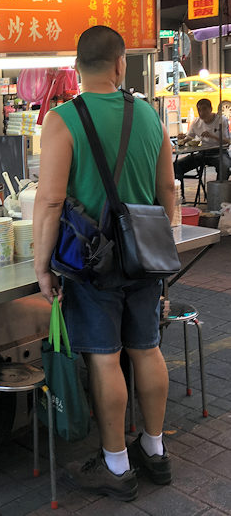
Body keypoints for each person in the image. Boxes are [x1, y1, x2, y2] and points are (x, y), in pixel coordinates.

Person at [33, 26, 175, 502]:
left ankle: (116, 464)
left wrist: (41, 268)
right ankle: (154, 451)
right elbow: (168, 191)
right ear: (120, 66)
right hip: (144, 258)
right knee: (146, 348)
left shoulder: (62, 119)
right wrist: (159, 248)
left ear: (76, 68)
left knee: (105, 357)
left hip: (92, 263)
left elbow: (50, 202)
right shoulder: (150, 116)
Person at [174, 98, 230, 194]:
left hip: (219, 152)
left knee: (224, 167)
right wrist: (181, 139)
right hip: (203, 153)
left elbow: (227, 141)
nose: (201, 112)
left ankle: (218, 195)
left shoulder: (221, 120)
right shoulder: (196, 122)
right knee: (177, 166)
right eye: (199, 110)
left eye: (204, 109)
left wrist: (212, 136)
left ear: (210, 109)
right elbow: (189, 138)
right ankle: (180, 195)